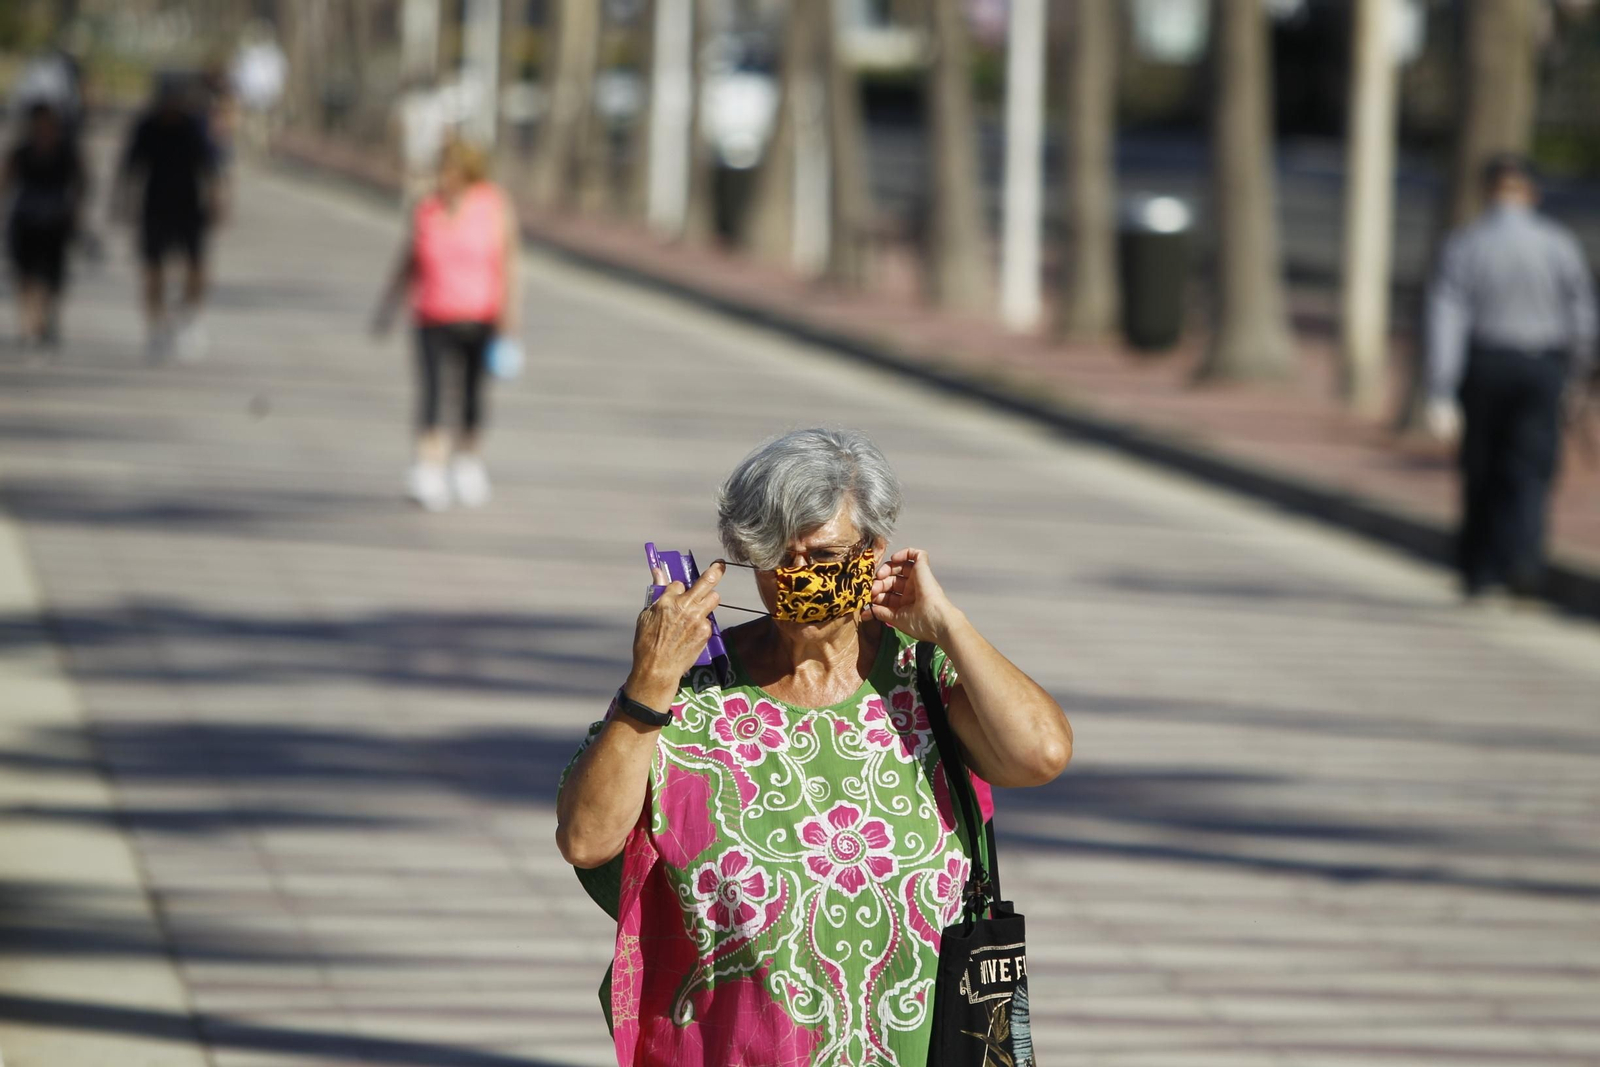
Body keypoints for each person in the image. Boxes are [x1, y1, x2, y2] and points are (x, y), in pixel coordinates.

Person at [556, 428, 1073, 1066]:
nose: (798, 575)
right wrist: (650, 681)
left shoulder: (922, 679)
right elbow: (585, 839)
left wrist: (948, 624)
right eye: (776, 556)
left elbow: (1042, 754)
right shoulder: (688, 688)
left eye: (823, 556)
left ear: (874, 551)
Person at [1426, 154, 1598, 600]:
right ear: (1533, 193)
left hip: (1485, 365)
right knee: (1531, 470)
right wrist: (1578, 374)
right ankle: (1525, 564)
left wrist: (1441, 387)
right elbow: (1582, 315)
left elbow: (1447, 317)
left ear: (1487, 191)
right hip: (1542, 366)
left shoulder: (1466, 243)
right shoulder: (1558, 244)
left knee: (1482, 468)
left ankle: (1481, 571)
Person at [374, 138, 519, 511]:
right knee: (431, 393)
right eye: (440, 171)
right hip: (431, 314)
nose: (443, 179)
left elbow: (507, 264)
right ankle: (429, 469)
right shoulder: (427, 208)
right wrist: (389, 305)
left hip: (479, 316)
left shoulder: (492, 205)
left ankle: (467, 462)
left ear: (467, 172)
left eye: (450, 171)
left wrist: (509, 321)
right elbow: (410, 258)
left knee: (471, 395)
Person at [115, 77, 224, 363]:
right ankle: (155, 326)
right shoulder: (148, 126)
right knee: (153, 269)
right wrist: (123, 202)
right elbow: (130, 167)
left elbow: (211, 166)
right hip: (155, 206)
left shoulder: (193, 127)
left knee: (196, 264)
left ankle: (190, 316)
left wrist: (216, 200)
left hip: (188, 205)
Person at [3, 101, 87, 351]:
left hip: (56, 219)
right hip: (26, 218)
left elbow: (81, 182)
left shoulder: (66, 151)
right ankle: (29, 324)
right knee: (25, 275)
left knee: (52, 277)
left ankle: (46, 319)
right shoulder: (21, 151)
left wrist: (77, 213)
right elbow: (6, 180)